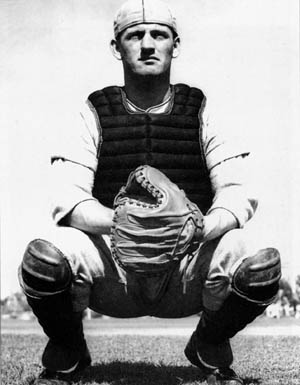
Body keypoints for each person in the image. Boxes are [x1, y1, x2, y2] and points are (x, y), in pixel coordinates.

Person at [19, 0, 281, 384]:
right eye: (135, 35)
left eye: (158, 34)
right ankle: (68, 349)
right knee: (44, 257)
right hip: (115, 268)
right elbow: (67, 198)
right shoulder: (93, 110)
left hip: (186, 267)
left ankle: (209, 342)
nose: (147, 44)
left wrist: (195, 227)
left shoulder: (204, 107)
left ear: (175, 44)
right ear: (116, 47)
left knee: (259, 261)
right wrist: (126, 223)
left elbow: (237, 193)